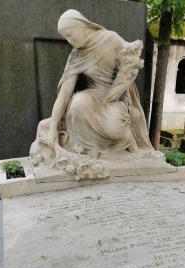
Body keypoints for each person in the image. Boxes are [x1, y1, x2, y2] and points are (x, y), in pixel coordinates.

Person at [30, 9, 153, 178]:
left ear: (81, 26)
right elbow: (65, 94)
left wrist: (119, 88)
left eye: (70, 35)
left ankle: (127, 134)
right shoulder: (76, 56)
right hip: (93, 95)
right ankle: (90, 149)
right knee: (77, 103)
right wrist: (52, 128)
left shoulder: (111, 39)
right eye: (66, 38)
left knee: (114, 128)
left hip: (115, 98)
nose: (69, 41)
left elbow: (132, 61)